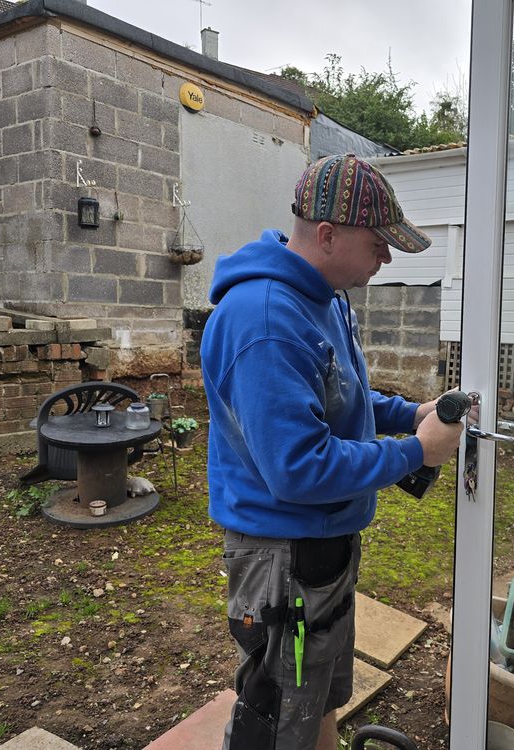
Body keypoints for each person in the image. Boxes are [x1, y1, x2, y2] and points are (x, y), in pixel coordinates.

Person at [201, 153, 464, 750]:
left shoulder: (325, 296)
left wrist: (409, 414)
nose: (387, 257)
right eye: (378, 243)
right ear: (327, 234)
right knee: (278, 717)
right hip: (283, 560)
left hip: (320, 547)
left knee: (315, 694)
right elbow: (300, 468)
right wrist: (414, 453)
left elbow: (337, 393)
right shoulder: (265, 319)